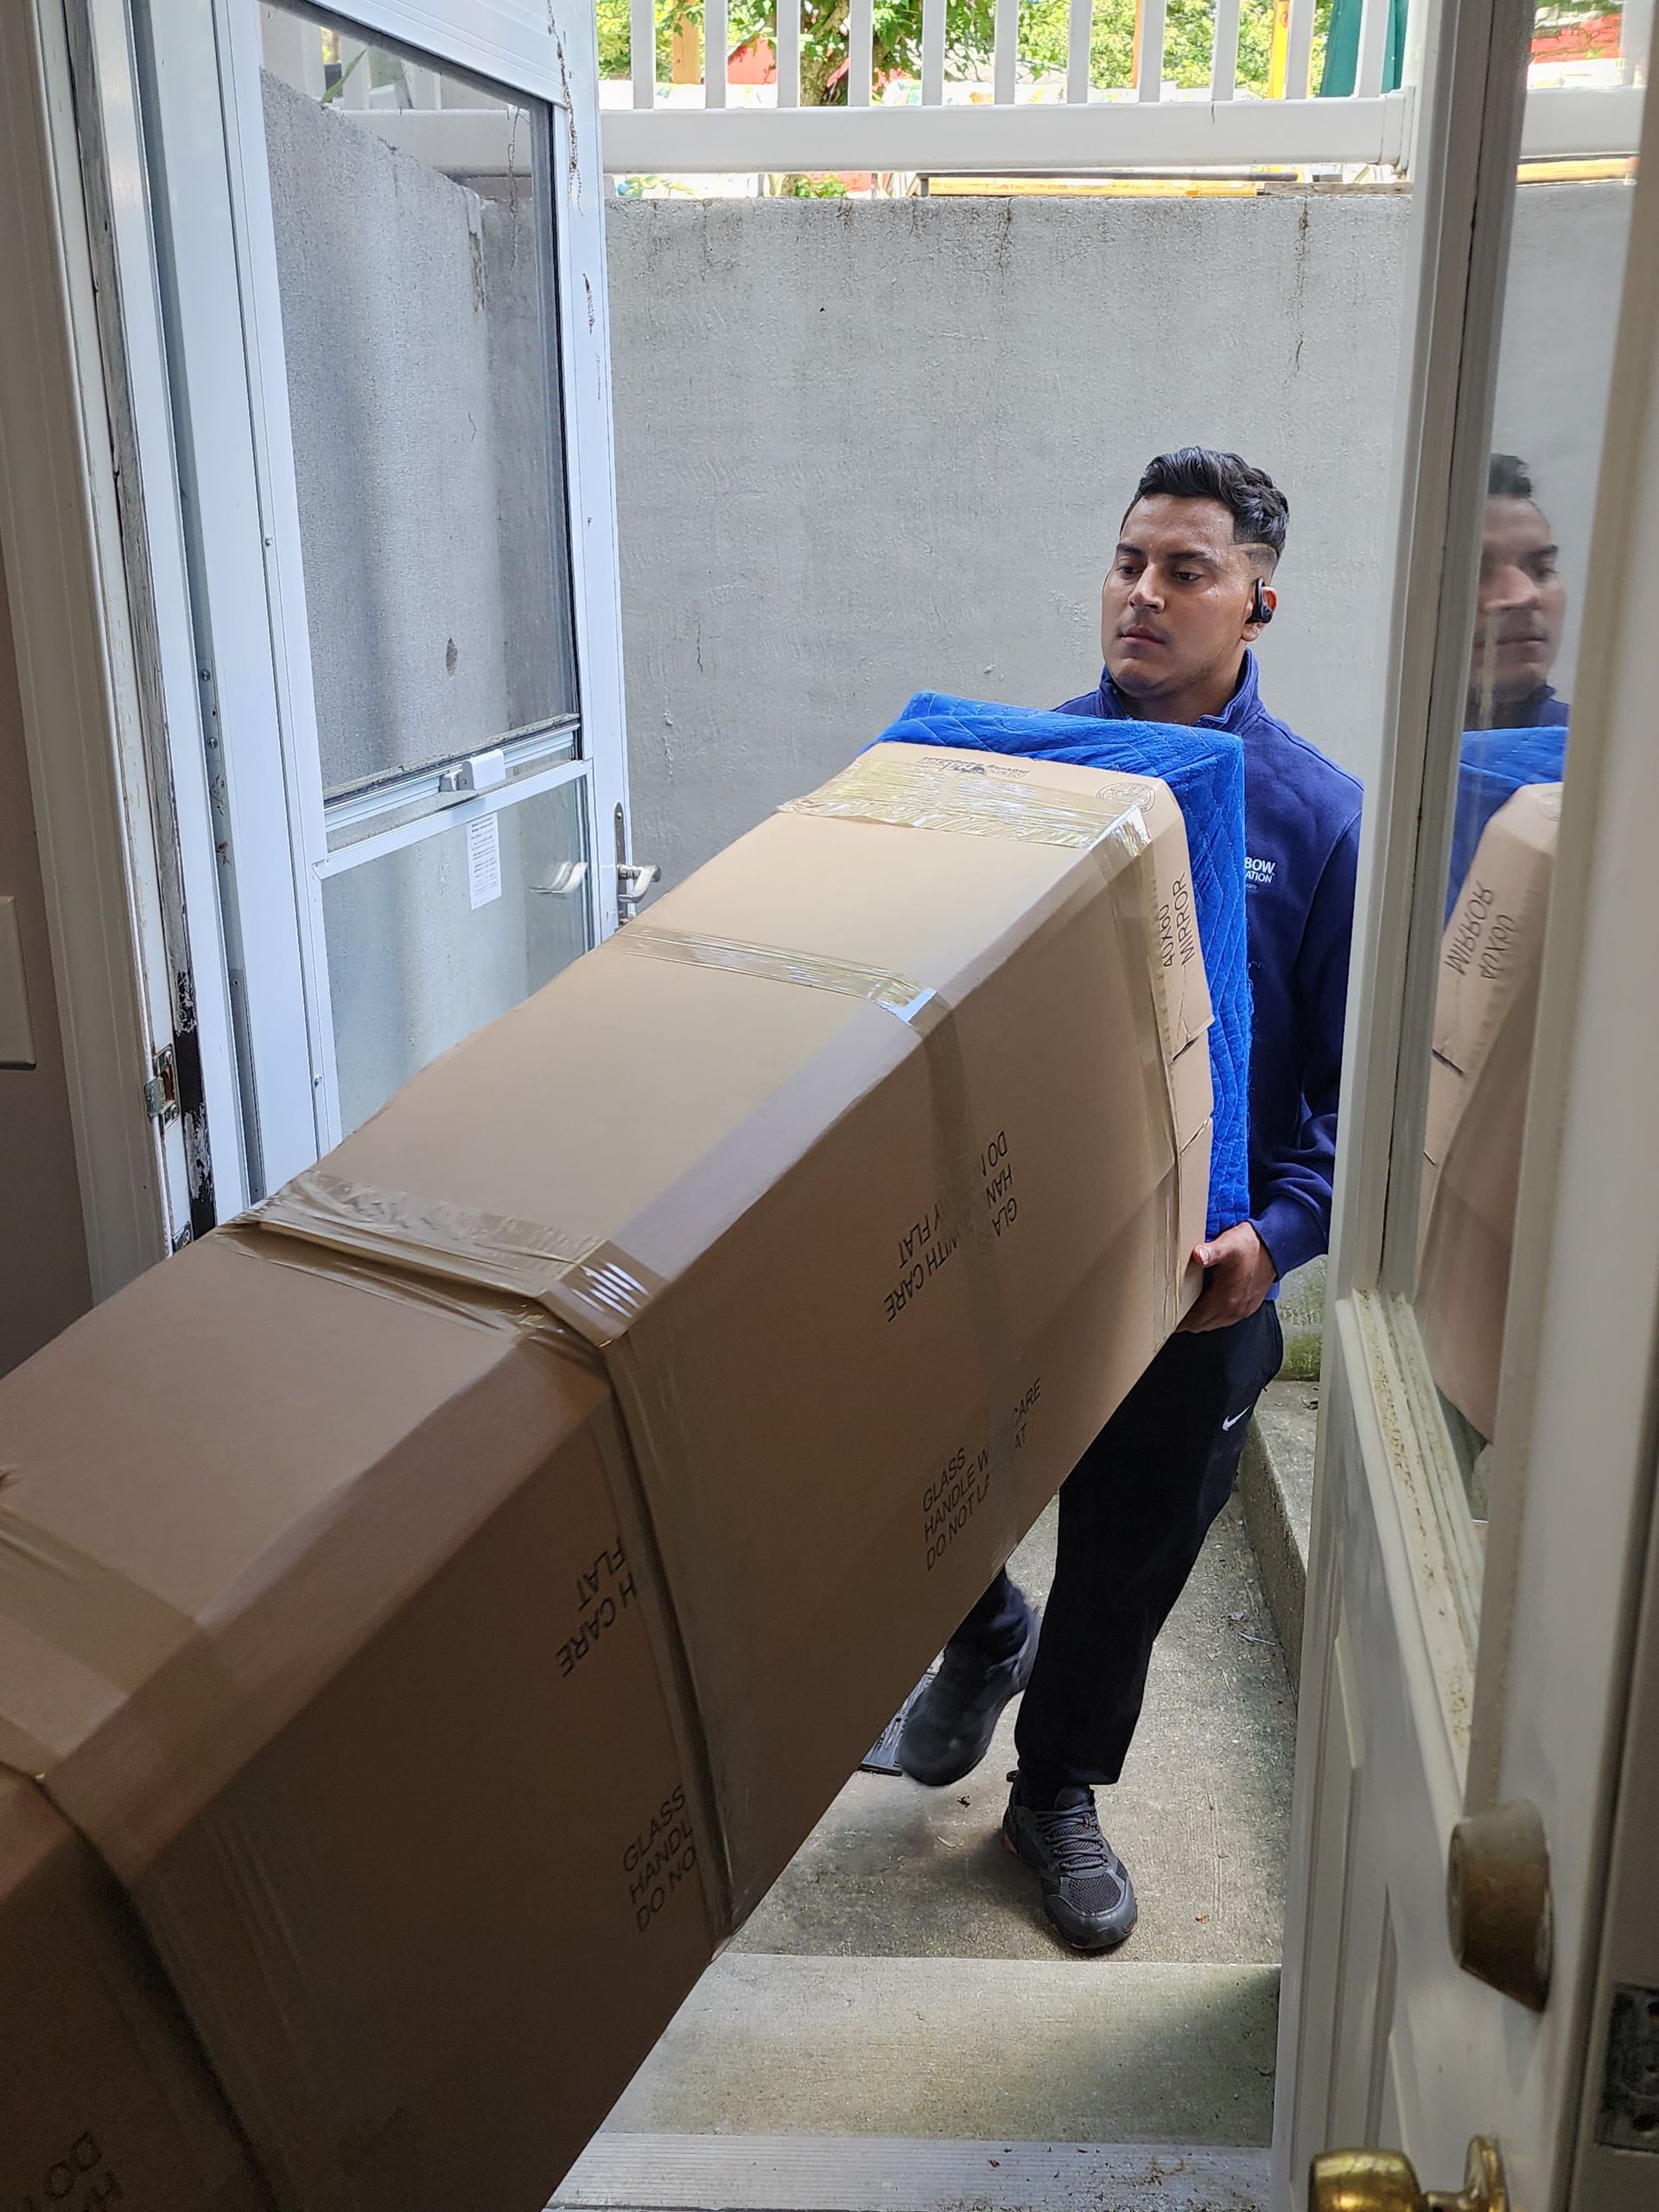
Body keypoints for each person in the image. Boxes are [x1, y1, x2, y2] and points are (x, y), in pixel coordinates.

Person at [898, 448, 1363, 1952]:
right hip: (1013, 1248)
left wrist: (1277, 1237)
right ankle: (984, 1632)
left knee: (1128, 1558)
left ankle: (1055, 1793)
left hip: (1199, 1281)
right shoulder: (1022, 772)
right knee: (908, 1475)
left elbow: (1354, 1093)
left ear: (1260, 601)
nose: (1142, 595)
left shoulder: (1318, 819)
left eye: (1186, 571)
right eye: (1127, 562)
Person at [1466, 454, 1569, 728]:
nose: (1526, 594)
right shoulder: (1372, 748)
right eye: (1474, 573)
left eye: (1542, 570)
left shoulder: (1607, 750)